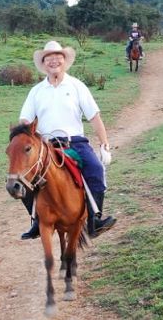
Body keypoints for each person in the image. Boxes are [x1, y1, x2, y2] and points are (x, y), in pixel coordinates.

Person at [18, 40, 117, 240]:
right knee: (21, 177)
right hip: (47, 146)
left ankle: (94, 220)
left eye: (58, 57)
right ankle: (37, 219)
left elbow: (94, 116)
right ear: (44, 63)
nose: (54, 61)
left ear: (64, 61)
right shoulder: (36, 91)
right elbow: (24, 120)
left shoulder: (77, 86)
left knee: (96, 170)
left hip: (76, 143)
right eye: (49, 58)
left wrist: (104, 144)